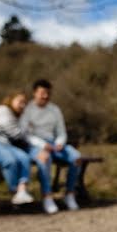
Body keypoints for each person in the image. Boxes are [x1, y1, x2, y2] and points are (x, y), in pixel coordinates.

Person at [20, 78, 81, 214]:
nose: (45, 96)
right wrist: (42, 145)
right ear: (35, 93)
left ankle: (69, 194)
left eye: (48, 93)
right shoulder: (27, 110)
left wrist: (59, 143)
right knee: (44, 158)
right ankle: (47, 197)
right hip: (34, 145)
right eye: (42, 93)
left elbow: (61, 131)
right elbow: (25, 134)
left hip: (54, 144)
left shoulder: (55, 110)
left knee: (76, 157)